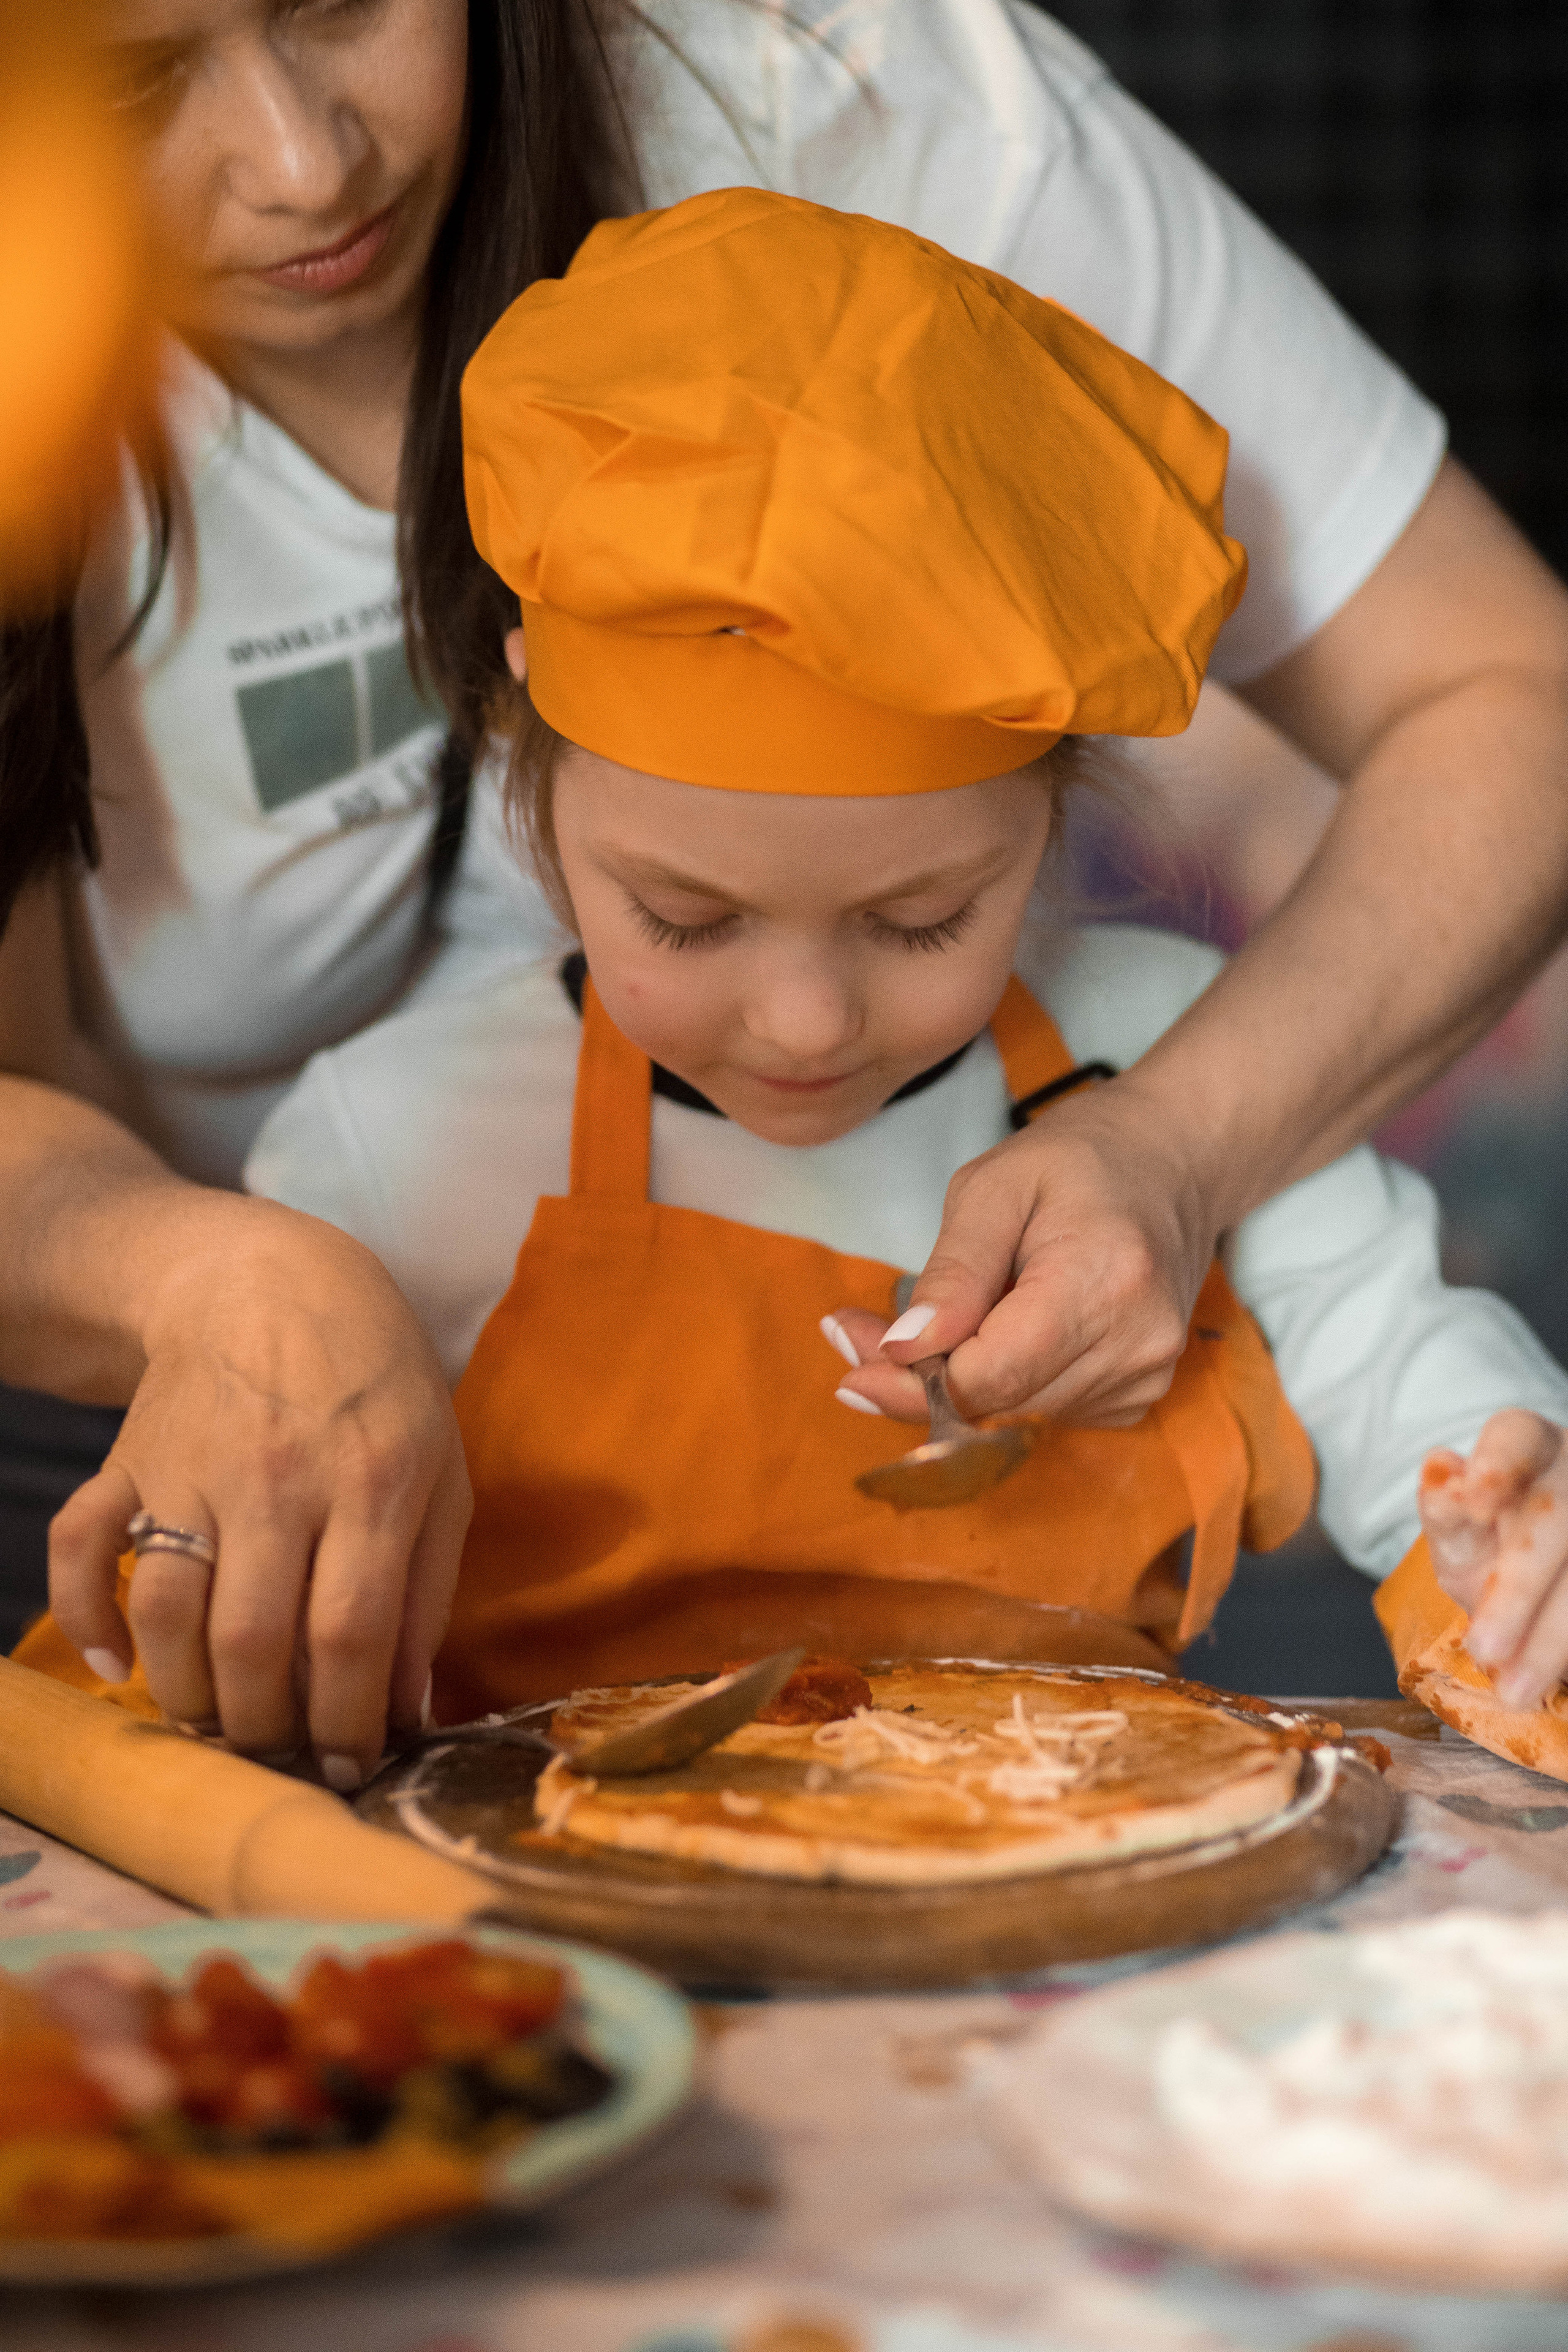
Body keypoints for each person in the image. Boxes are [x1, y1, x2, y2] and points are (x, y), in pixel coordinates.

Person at [7, 0, 1568, 1774]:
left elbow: (1421, 1385)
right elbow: (169, 1681)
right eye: (684, 917)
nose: (304, 163)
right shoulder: (387, 1147)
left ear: (1058, 817)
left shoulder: (1153, 1045)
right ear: (528, 753)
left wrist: (1488, 1492)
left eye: (922, 920)